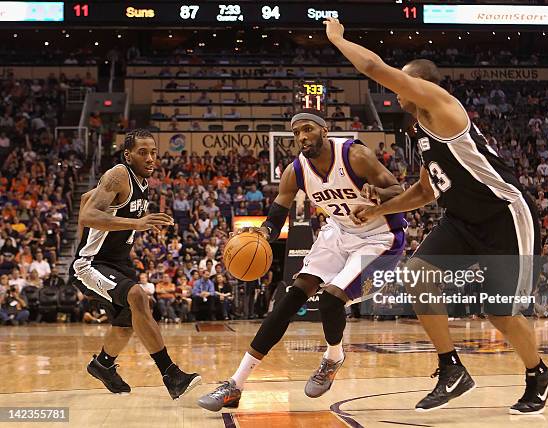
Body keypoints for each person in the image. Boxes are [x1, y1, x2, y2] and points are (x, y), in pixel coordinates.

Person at [323, 17, 548, 415]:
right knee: (418, 275)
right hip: (461, 220)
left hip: (503, 214)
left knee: (500, 312)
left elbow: (375, 68)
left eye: (404, 82)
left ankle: (537, 373)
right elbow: (427, 191)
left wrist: (338, 37)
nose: (397, 90)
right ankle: (452, 369)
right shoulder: (421, 132)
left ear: (424, 85)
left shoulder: (441, 106)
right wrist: (378, 209)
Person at [197, 112, 406, 411]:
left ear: (324, 130)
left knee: (331, 300)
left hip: (379, 237)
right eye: (296, 133)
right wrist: (263, 233)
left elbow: (399, 190)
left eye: (307, 129)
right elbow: (276, 216)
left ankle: (333, 357)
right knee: (289, 298)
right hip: (339, 231)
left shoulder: (355, 155)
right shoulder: (295, 171)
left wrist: (379, 193)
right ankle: (235, 385)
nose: (302, 137)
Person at [69, 129, 201, 399]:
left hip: (118, 262)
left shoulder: (141, 181)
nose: (151, 158)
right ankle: (171, 374)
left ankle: (103, 364)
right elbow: (88, 213)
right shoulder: (119, 173)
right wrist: (135, 223)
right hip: (91, 263)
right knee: (137, 296)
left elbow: (86, 199)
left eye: (153, 152)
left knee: (132, 317)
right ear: (128, 155)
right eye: (143, 152)